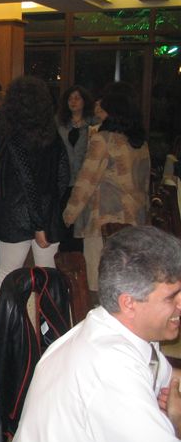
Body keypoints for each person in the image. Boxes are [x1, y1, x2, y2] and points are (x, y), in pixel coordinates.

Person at [9, 225, 181, 442]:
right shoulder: (111, 370)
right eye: (172, 297)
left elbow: (170, 378)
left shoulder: (116, 327)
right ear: (129, 303)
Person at [0, 76, 69, 306]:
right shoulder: (52, 134)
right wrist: (48, 207)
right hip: (46, 211)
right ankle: (49, 326)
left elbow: (26, 180)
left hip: (15, 214)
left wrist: (37, 223)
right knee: (48, 279)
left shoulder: (9, 134)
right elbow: (64, 174)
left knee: (8, 277)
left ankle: (2, 327)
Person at [63, 91, 150, 292]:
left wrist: (69, 214)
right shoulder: (141, 143)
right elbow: (145, 184)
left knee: (98, 282)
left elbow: (86, 181)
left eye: (102, 109)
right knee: (126, 283)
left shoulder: (103, 140)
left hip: (104, 220)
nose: (98, 113)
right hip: (134, 219)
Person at [56, 84, 95, 252]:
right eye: (70, 98)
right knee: (64, 222)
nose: (73, 101)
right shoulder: (59, 122)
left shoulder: (93, 124)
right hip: (63, 179)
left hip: (84, 179)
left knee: (81, 223)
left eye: (77, 98)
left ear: (84, 101)